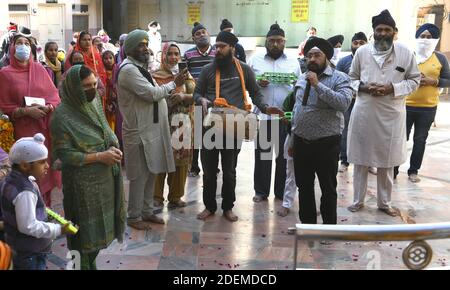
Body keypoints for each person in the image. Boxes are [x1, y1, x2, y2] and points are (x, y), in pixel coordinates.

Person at [194, 31, 284, 223]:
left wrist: (266, 108)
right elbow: (196, 94)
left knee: (230, 170)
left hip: (234, 127)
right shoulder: (208, 70)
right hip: (210, 127)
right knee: (209, 171)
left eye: (221, 47)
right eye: (216, 46)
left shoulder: (243, 69)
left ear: (232, 48)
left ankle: (228, 207)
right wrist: (201, 100)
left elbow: (256, 93)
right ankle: (209, 206)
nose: (217, 50)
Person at [51, 65, 125, 270]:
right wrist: (101, 156)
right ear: (74, 88)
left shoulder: (93, 104)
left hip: (105, 181)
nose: (92, 89)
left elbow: (104, 131)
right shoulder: (61, 117)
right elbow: (64, 155)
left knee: (98, 235)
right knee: (81, 235)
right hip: (81, 186)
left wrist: (112, 145)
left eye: (94, 84)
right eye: (86, 86)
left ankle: (90, 264)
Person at [347, 10, 421, 217]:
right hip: (364, 113)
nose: (382, 33)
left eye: (387, 30)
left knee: (386, 162)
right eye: (379, 30)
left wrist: (392, 88)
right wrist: (362, 87)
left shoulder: (406, 53)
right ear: (373, 32)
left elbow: (415, 80)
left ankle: (384, 203)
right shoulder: (362, 52)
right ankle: (357, 200)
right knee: (360, 160)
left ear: (394, 33)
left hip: (391, 115)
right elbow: (350, 78)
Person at [117, 29, 188, 230]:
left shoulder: (141, 68)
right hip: (139, 131)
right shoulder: (129, 70)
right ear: (130, 48)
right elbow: (151, 94)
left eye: (146, 44)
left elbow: (157, 94)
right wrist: (175, 84)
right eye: (141, 44)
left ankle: (147, 212)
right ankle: (133, 216)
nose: (145, 48)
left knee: (150, 173)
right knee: (139, 175)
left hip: (151, 130)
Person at [290, 37, 353, 225]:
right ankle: (308, 226)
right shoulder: (303, 77)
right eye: (309, 55)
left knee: (328, 188)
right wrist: (293, 139)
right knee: (304, 187)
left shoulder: (339, 78)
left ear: (326, 57)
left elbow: (343, 104)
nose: (312, 59)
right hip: (302, 142)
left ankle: (329, 227)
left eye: (317, 55)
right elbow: (297, 109)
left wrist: (318, 85)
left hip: (326, 144)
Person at [0, 35, 62, 207]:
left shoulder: (40, 69)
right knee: (28, 166)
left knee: (43, 165)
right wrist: (26, 111)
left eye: (27, 44)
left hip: (43, 126)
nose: (23, 46)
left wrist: (48, 108)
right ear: (12, 48)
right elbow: (4, 105)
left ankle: (45, 207)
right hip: (22, 130)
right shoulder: (5, 74)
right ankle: (29, 209)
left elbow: (54, 96)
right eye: (19, 43)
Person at [0, 134, 73, 270]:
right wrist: (58, 229)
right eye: (42, 162)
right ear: (25, 165)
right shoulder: (24, 191)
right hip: (29, 252)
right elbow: (28, 226)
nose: (47, 166)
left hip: (18, 246)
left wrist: (44, 214)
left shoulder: (12, 180)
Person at [248, 23, 301, 203]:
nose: (276, 44)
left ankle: (280, 192)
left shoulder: (293, 62)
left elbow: (299, 88)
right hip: (263, 116)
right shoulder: (255, 60)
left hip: (285, 117)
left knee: (284, 157)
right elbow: (247, 85)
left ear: (284, 42)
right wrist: (257, 83)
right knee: (262, 155)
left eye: (279, 41)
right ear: (266, 42)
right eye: (272, 41)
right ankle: (261, 191)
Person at [394, 24, 450, 183]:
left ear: (435, 39)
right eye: (422, 36)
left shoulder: (440, 58)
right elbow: (396, 77)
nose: (425, 40)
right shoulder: (408, 56)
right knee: (400, 139)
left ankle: (413, 171)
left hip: (428, 108)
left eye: (429, 37)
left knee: (420, 140)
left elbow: (448, 80)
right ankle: (394, 170)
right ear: (416, 38)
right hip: (405, 105)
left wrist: (435, 81)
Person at [153, 42, 196, 209]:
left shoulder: (187, 75)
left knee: (182, 160)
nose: (173, 57)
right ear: (163, 56)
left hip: (184, 123)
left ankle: (176, 196)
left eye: (176, 54)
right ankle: (156, 195)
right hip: (163, 123)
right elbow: (154, 99)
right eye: (169, 54)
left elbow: (196, 95)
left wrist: (184, 97)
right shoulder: (155, 76)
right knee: (160, 158)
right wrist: (170, 100)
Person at [185, 22, 217, 178]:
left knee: (212, 134)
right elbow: (185, 77)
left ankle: (212, 166)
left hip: (215, 101)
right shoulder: (189, 55)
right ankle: (194, 166)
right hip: (196, 100)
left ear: (209, 34)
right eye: (198, 34)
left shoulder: (218, 53)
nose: (202, 35)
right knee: (196, 134)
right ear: (193, 38)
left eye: (204, 32)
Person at [336, 32, 368, 173]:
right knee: (346, 130)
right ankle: (344, 160)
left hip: (367, 102)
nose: (358, 45)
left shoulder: (372, 61)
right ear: (351, 44)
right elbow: (336, 80)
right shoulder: (343, 62)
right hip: (348, 102)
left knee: (367, 132)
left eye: (362, 43)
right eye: (356, 43)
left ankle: (368, 161)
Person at [102, 50, 119, 131]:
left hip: (116, 98)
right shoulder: (102, 71)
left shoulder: (117, 70)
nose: (108, 60)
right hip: (105, 98)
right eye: (105, 58)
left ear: (114, 59)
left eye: (110, 58)